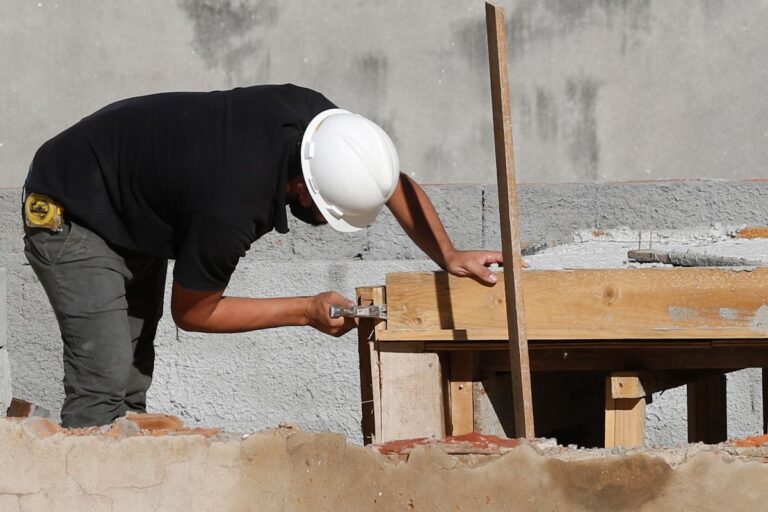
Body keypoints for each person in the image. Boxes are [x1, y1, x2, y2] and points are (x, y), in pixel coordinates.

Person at [23, 84, 504, 428]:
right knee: (103, 384)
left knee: (129, 383)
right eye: (327, 213)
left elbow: (387, 179)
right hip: (73, 208)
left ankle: (127, 480)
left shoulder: (320, 126)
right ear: (304, 188)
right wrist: (305, 310)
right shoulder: (231, 207)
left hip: (134, 198)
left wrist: (449, 254)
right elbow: (193, 312)